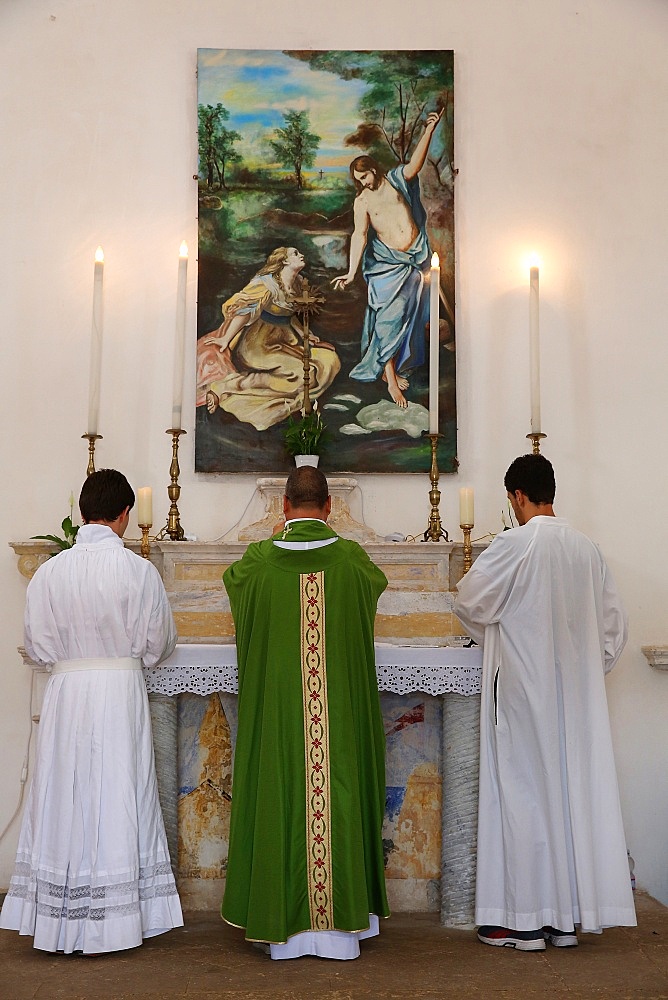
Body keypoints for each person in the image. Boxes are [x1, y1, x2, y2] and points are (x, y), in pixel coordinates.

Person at [454, 454, 636, 951]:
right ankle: (563, 920)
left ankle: (526, 922)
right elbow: (613, 631)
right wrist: (579, 676)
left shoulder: (515, 544)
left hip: (522, 692)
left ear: (516, 497)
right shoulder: (587, 550)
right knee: (567, 798)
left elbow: (469, 602)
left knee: (522, 797)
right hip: (574, 701)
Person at [0, 469, 183, 955]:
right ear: (124, 516)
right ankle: (117, 922)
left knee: (64, 794)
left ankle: (58, 919)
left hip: (67, 694)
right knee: (119, 792)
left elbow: (37, 647)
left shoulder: (50, 572)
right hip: (118, 692)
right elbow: (158, 644)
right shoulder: (137, 572)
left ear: (83, 512)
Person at [221, 466, 389, 959]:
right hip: (335, 711)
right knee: (334, 788)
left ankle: (284, 929)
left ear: (284, 506)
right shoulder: (353, 561)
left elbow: (236, 582)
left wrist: (274, 540)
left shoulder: (257, 561)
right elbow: (371, 589)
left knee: (283, 790)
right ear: (330, 507)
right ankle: (342, 931)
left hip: (279, 714)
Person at [331, 110, 442, 408]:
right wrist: (352, 272)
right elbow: (360, 236)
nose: (364, 183)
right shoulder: (362, 201)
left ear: (374, 170)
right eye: (358, 180)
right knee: (388, 320)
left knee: (407, 318)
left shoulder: (396, 179)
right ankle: (391, 380)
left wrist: (429, 129)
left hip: (413, 258)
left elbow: (415, 164)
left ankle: (389, 369)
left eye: (365, 176)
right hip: (384, 266)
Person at [197, 246, 340, 431]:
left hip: (286, 341)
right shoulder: (266, 284)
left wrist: (305, 334)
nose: (301, 255)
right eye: (295, 253)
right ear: (285, 261)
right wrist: (225, 338)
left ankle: (295, 399)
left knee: (329, 361)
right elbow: (244, 312)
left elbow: (289, 315)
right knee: (303, 373)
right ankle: (223, 387)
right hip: (259, 344)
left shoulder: (299, 283)